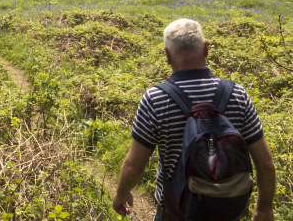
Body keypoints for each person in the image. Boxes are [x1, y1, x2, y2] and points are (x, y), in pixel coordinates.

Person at [112, 18, 276, 221]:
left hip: (175, 213)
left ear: (167, 55)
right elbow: (266, 164)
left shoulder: (155, 99)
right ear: (206, 48)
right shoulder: (238, 95)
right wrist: (264, 208)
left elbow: (133, 166)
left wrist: (122, 193)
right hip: (228, 212)